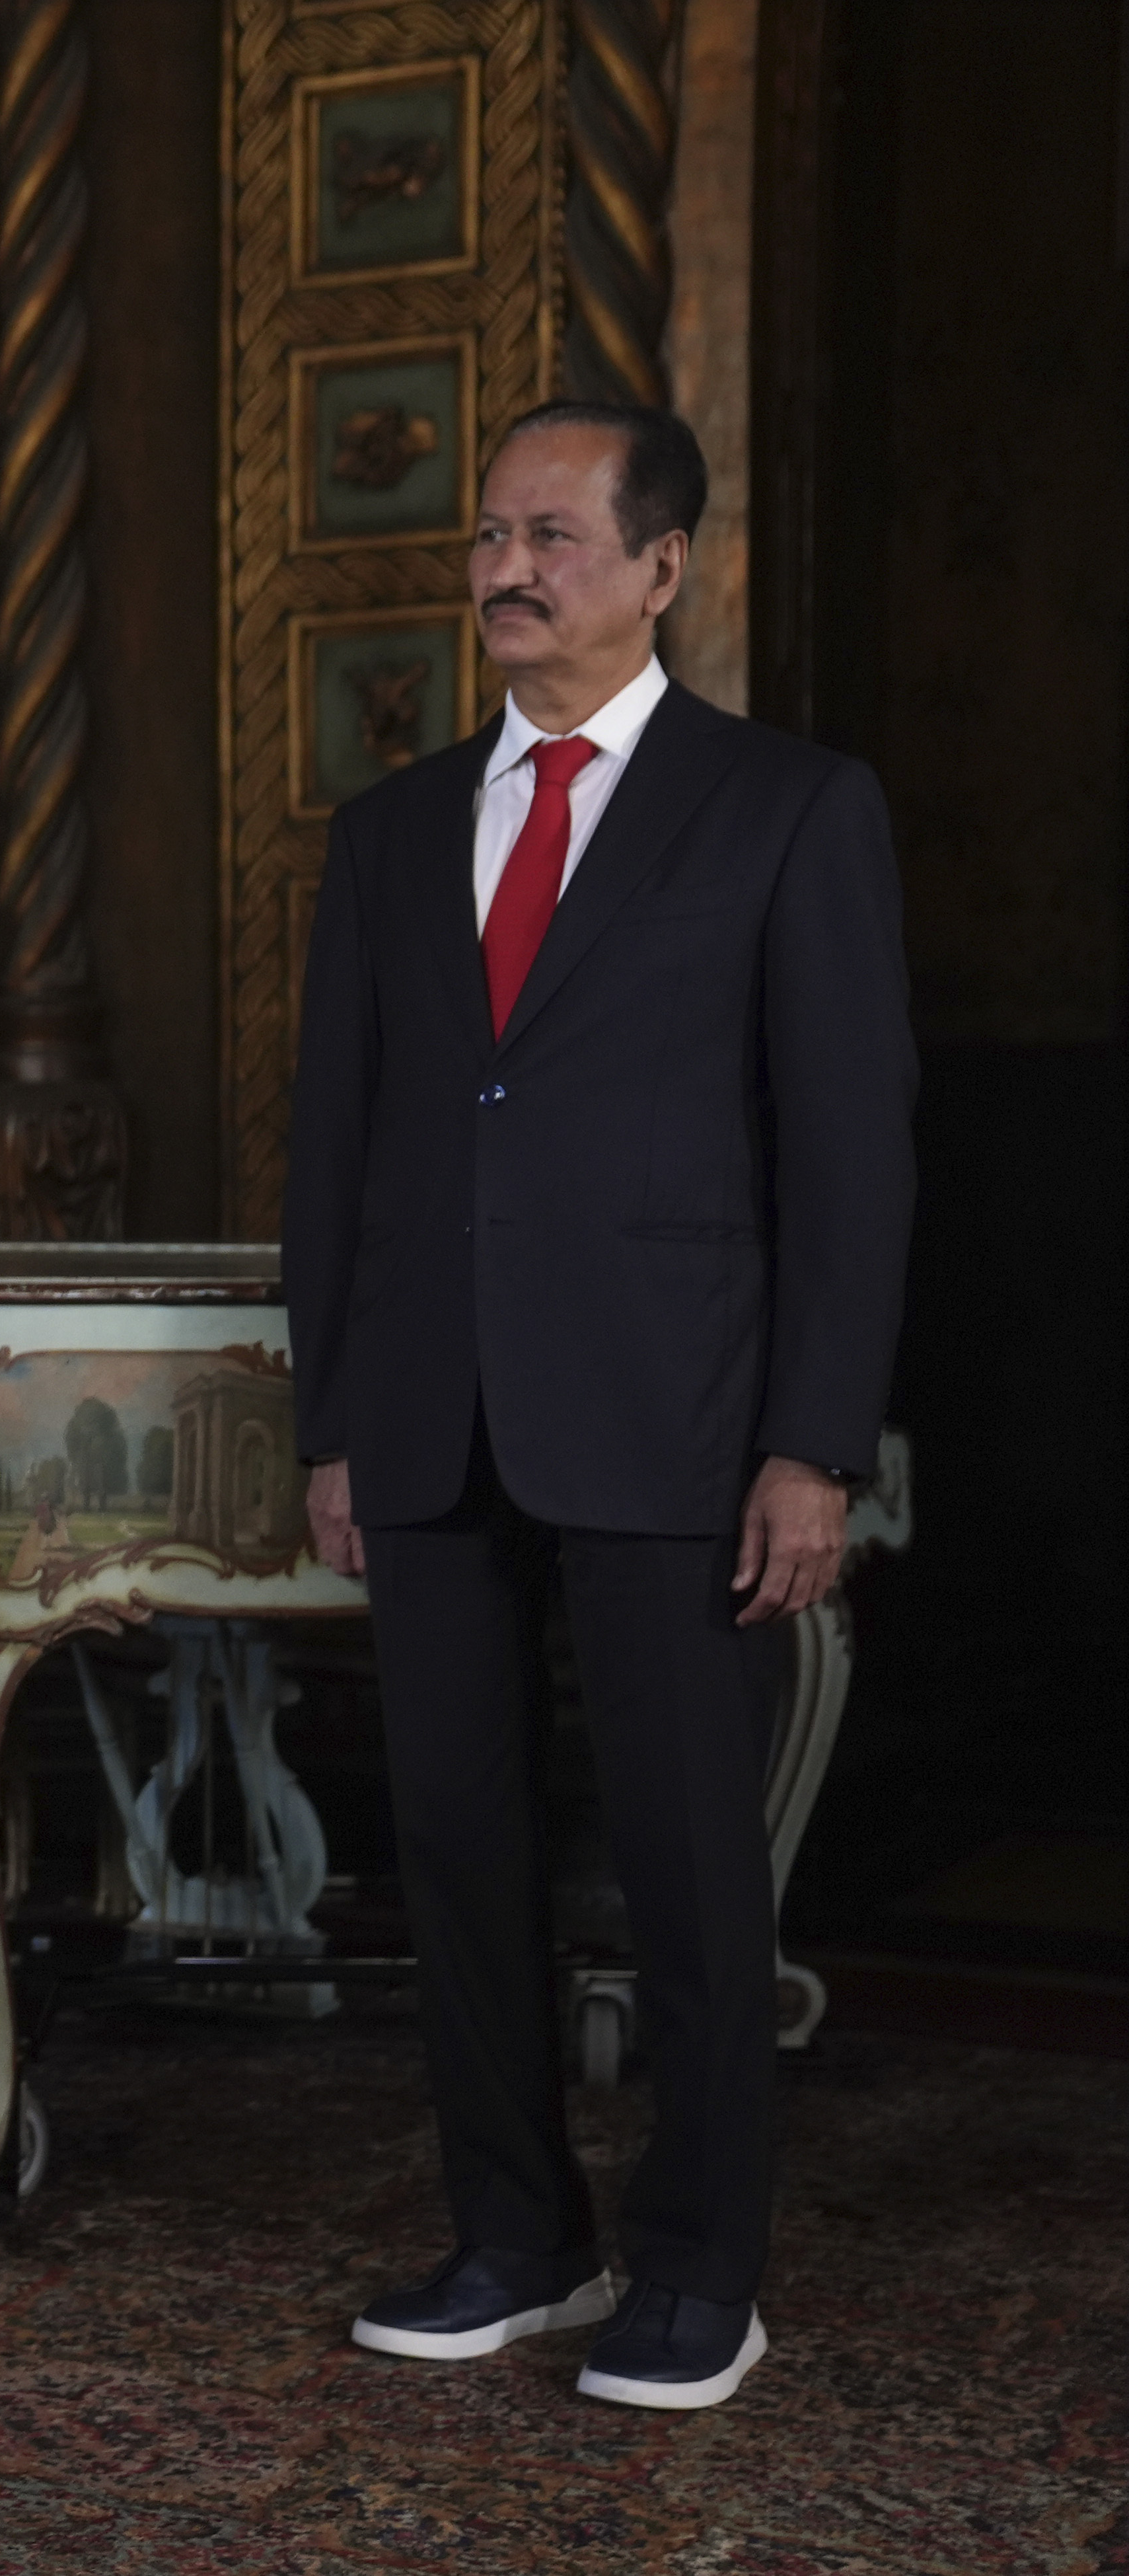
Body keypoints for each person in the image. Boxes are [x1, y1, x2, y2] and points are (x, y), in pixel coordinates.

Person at [283, 402, 914, 2412]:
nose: (502, 567)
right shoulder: (385, 835)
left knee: (683, 1866)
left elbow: (849, 1153)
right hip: (431, 1417)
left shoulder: (788, 810)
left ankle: (697, 2272)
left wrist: (811, 1438)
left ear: (659, 569)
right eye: (485, 534)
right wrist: (333, 1420)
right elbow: (337, 1150)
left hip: (682, 1422)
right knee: (455, 1846)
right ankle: (512, 2236)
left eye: (550, 535)